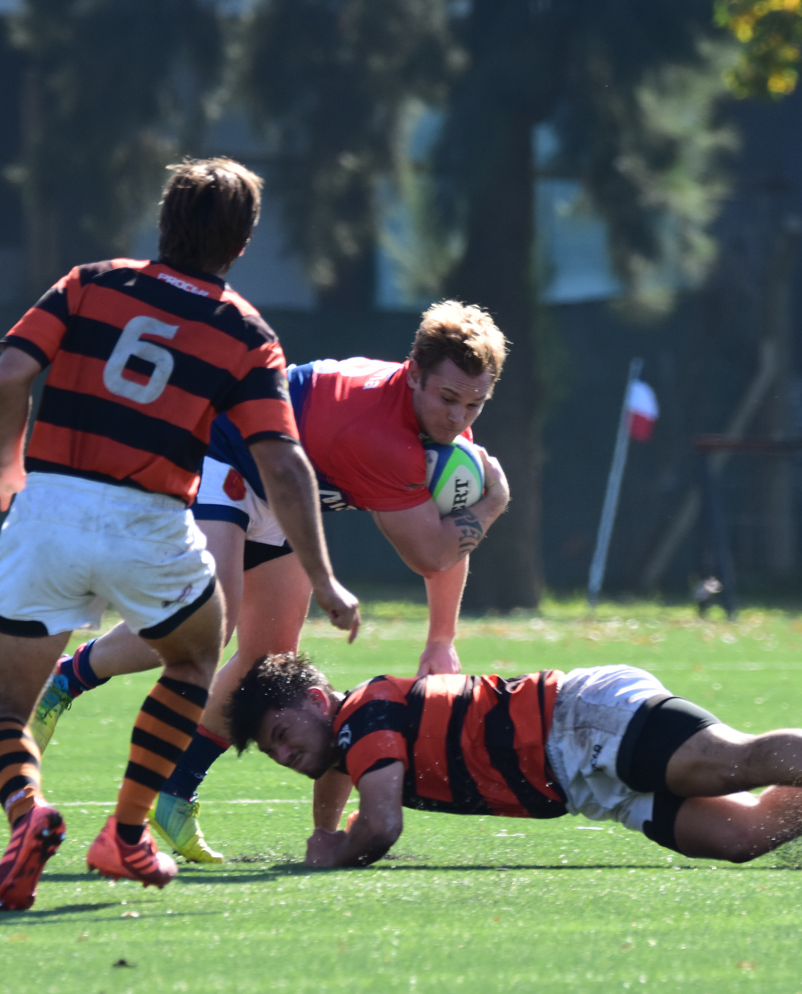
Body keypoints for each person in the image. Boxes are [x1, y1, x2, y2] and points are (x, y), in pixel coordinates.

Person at [0, 157, 360, 911]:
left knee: (0, 710)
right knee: (196, 660)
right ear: (241, 244)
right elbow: (283, 465)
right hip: (150, 524)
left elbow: (9, 374)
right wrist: (324, 577)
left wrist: (4, 465)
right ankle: (126, 830)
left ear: (162, 220)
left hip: (49, 512)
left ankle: (28, 811)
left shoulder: (90, 281)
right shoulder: (246, 332)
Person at [26, 302, 511, 863]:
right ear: (414, 373)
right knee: (207, 624)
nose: (457, 417)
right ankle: (65, 679)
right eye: (448, 398)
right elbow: (430, 552)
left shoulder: (440, 428)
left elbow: (446, 537)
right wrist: (494, 501)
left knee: (268, 657)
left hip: (282, 494)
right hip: (222, 452)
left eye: (474, 404)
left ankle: (174, 794)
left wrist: (441, 639)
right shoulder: (380, 434)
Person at [231, 653, 802, 867]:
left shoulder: (365, 718)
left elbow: (382, 824)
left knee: (729, 760)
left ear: (318, 698)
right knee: (744, 835)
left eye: (283, 732)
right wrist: (324, 827)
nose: (286, 755)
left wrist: (331, 855)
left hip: (578, 719)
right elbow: (336, 777)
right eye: (273, 752)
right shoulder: (348, 738)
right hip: (581, 782)